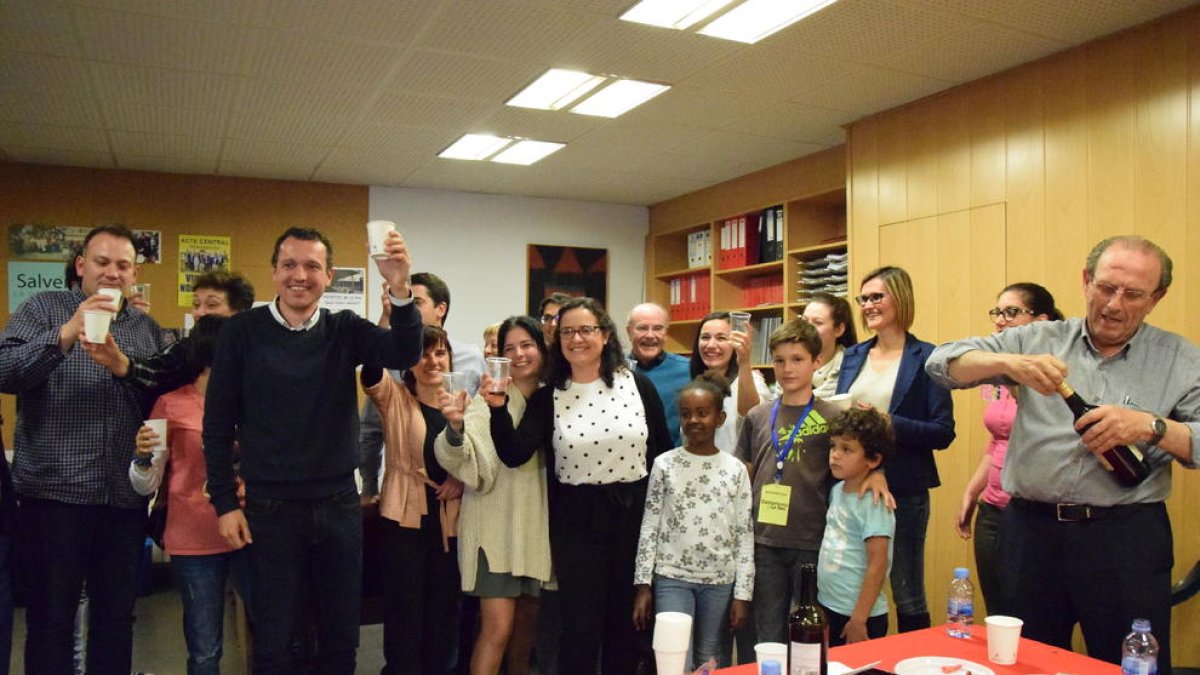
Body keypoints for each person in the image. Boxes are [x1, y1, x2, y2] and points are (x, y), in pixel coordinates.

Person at [926, 236, 1198, 672]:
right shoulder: (1038, 338)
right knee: (1022, 660)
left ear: (1156, 298)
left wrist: (1151, 426)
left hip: (1126, 539)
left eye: (1132, 294)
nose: (1114, 304)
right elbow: (941, 364)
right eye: (1106, 288)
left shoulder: (1181, 359)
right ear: (1086, 281)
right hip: (1030, 534)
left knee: (1126, 664)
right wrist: (1014, 365)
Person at [202, 226, 423, 674]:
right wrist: (226, 503)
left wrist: (400, 287)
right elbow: (217, 425)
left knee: (341, 636)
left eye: (311, 266)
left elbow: (405, 350)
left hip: (338, 504)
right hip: (270, 509)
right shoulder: (241, 332)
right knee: (276, 640)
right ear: (273, 272)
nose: (299, 275)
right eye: (289, 265)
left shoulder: (344, 329)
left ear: (329, 276)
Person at [0, 224, 170, 674]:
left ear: (133, 274)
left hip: (123, 499)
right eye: (102, 262)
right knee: (51, 618)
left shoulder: (148, 331)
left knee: (117, 618)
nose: (113, 273)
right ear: (80, 266)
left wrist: (126, 369)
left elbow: (161, 398)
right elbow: (5, 370)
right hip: (53, 497)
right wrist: (66, 334)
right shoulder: (42, 309)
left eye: (123, 265)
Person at [490, 297, 672, 675]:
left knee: (625, 623)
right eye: (567, 332)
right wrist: (496, 409)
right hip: (576, 523)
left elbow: (662, 457)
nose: (576, 339)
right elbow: (514, 452)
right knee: (580, 626)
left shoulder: (638, 386)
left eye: (586, 329)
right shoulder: (549, 395)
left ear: (605, 335)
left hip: (631, 516)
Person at [735, 319, 889, 644]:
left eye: (797, 360)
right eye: (780, 360)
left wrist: (878, 474)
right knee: (768, 631)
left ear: (816, 362)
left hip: (812, 537)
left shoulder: (832, 415)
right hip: (765, 539)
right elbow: (744, 469)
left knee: (808, 630)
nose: (788, 368)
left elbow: (863, 453)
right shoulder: (758, 416)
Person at [127, 314, 250, 675]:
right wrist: (142, 458)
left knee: (275, 634)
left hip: (254, 533)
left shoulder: (255, 401)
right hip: (195, 539)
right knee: (205, 648)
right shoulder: (170, 405)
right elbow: (145, 485)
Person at [835, 266, 955, 633]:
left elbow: (942, 432)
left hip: (902, 490)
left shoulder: (929, 357)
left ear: (899, 299)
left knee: (906, 590)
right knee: (852, 588)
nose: (868, 305)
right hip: (854, 489)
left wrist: (891, 423)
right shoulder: (853, 356)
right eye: (863, 298)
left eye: (877, 297)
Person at [436, 315, 552, 675]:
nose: (518, 355)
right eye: (509, 348)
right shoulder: (489, 399)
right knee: (497, 630)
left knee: (525, 633)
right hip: (494, 530)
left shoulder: (554, 397)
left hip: (535, 532)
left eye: (526, 345)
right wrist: (454, 427)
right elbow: (462, 457)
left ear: (542, 348)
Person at [361, 325, 464, 675]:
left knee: (443, 609)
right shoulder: (395, 396)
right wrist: (389, 322)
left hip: (449, 521)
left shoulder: (464, 401)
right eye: (423, 353)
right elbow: (372, 370)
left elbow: (478, 456)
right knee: (405, 609)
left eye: (440, 352)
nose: (432, 360)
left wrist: (460, 479)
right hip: (404, 516)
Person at [953, 283, 1061, 615]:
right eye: (997, 312)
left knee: (1031, 618)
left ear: (1041, 322)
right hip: (992, 509)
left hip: (1032, 514)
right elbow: (999, 439)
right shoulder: (1000, 375)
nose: (1000, 321)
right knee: (997, 613)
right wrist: (973, 490)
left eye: (1011, 312)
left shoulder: (1054, 376)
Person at [633, 373, 754, 670]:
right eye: (686, 414)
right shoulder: (664, 464)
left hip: (720, 580)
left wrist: (743, 593)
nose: (694, 420)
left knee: (711, 656)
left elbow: (744, 533)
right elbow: (649, 526)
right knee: (675, 655)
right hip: (672, 577)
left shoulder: (735, 470)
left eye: (703, 413)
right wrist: (643, 585)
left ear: (720, 418)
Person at [85, 270, 256, 395]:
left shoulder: (259, 351)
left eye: (211, 305)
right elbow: (158, 371)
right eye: (196, 305)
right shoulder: (188, 348)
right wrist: (120, 363)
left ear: (240, 311)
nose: (199, 312)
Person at [819, 408, 896, 646]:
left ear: (873, 459)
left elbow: (878, 563)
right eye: (833, 446)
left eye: (847, 449)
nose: (835, 455)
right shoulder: (836, 490)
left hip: (859, 616)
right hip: (830, 605)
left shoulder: (874, 502)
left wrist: (859, 619)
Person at [689, 311, 774, 455]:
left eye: (721, 338)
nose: (711, 345)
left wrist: (744, 362)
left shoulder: (751, 380)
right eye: (705, 337)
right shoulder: (695, 385)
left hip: (737, 473)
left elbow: (752, 417)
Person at [627, 302, 691, 447]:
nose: (650, 335)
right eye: (642, 328)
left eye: (658, 328)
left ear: (666, 333)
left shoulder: (688, 371)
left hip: (673, 462)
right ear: (629, 332)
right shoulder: (613, 370)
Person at [802, 293, 857, 399]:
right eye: (804, 321)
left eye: (818, 323)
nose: (806, 329)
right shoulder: (790, 361)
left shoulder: (850, 369)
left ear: (838, 330)